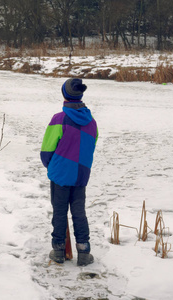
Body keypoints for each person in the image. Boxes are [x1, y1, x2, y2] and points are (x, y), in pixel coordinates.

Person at [40, 78, 98, 266]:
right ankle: (83, 252)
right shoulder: (92, 123)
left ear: (64, 95)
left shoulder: (59, 119)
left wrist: (53, 166)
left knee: (59, 211)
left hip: (61, 174)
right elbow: (91, 146)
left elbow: (47, 150)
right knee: (79, 212)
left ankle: (58, 250)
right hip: (81, 175)